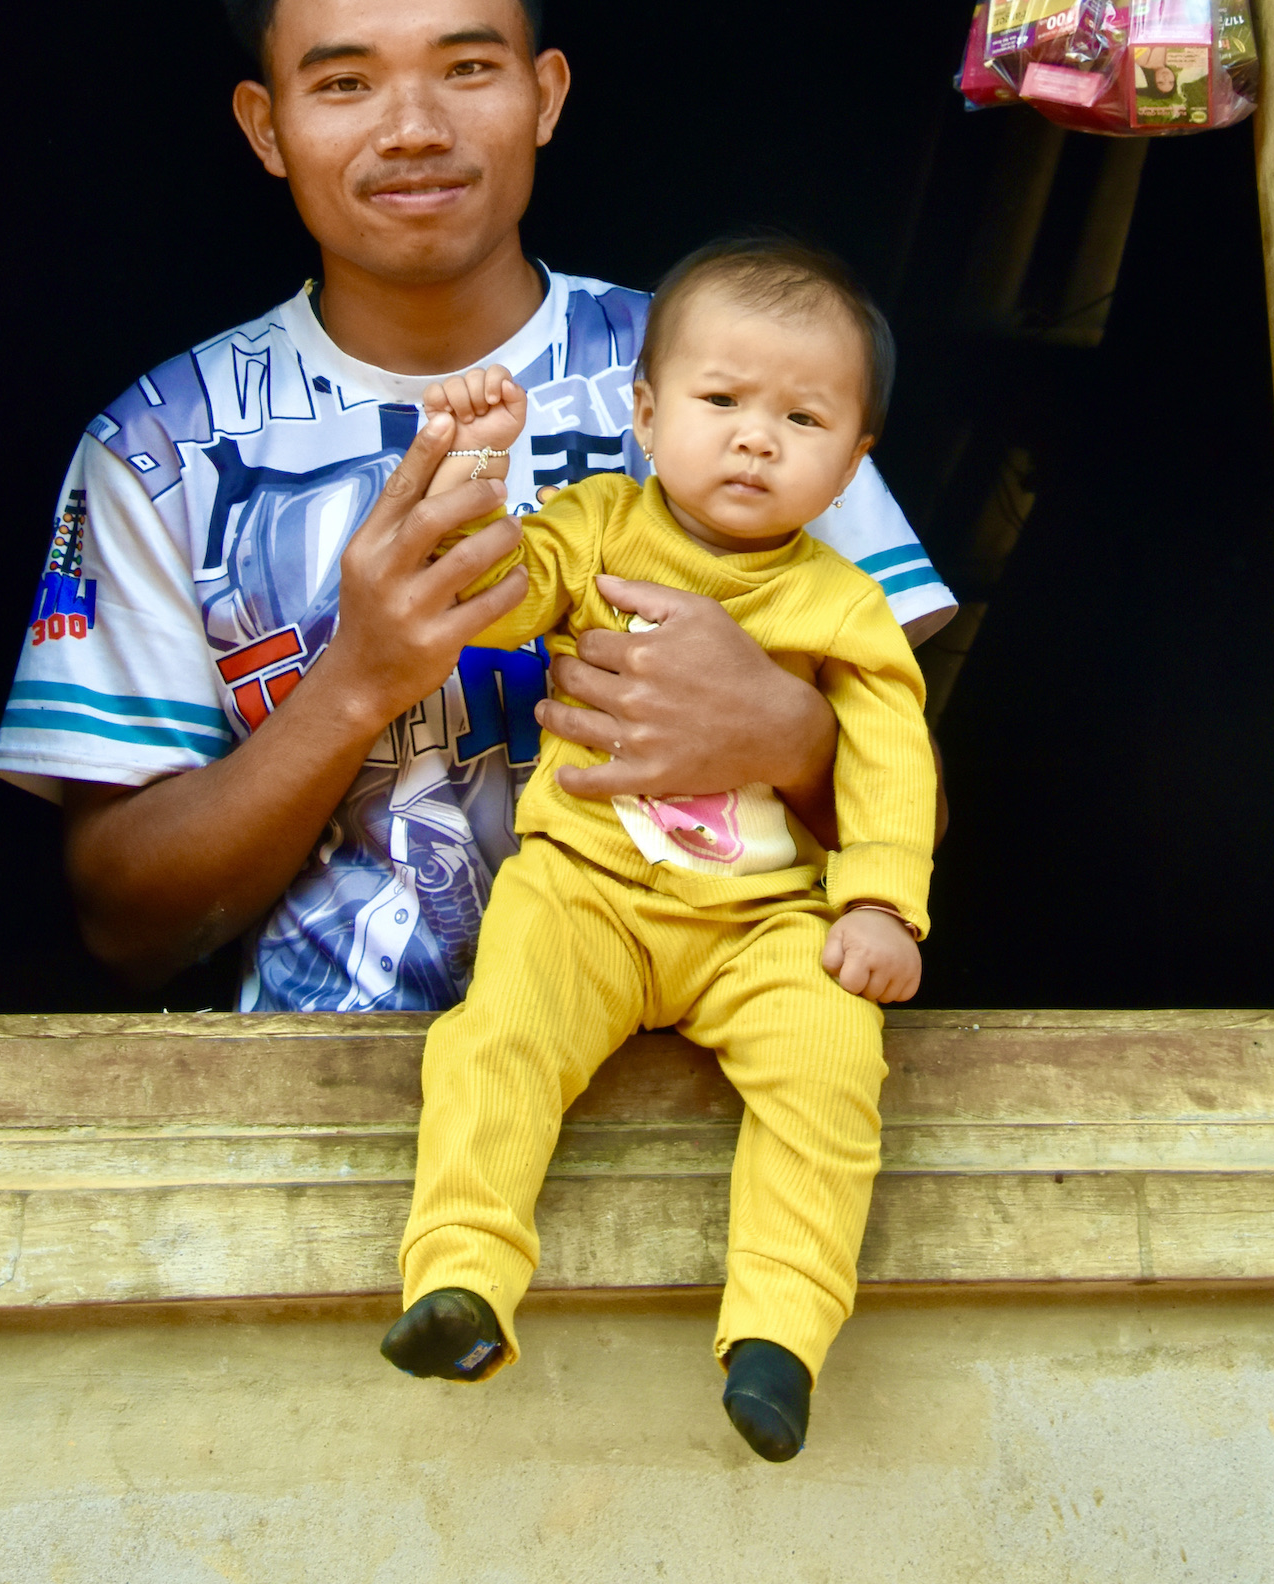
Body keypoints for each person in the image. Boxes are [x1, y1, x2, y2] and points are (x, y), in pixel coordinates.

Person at [0, 0, 954, 1012]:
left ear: (544, 95)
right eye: (343, 84)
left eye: (466, 69)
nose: (412, 129)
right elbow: (121, 925)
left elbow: (925, 821)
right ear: (264, 126)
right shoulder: (161, 449)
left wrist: (788, 739)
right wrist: (358, 680)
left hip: (712, 1097)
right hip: (313, 1128)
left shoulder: (732, 381)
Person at [382, 238, 935, 1463]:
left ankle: (780, 1338)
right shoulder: (597, 524)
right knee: (496, 1032)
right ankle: (460, 1279)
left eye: (802, 417)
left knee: (832, 1067)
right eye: (720, 401)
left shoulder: (843, 602)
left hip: (762, 924)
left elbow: (892, 763)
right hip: (587, 893)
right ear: (642, 411)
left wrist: (882, 908)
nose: (754, 439)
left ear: (855, 460)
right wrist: (477, 472)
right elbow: (506, 594)